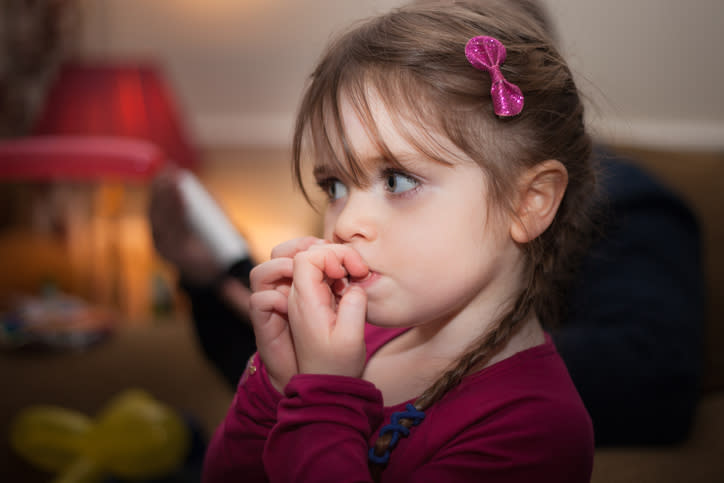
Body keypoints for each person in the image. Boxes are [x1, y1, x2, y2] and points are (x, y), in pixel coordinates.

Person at [150, 1, 704, 450]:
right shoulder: (369, 330)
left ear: (530, 202)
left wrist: (323, 395)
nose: (347, 223)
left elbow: (654, 376)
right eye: (334, 187)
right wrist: (277, 384)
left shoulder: (536, 423)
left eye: (397, 180)